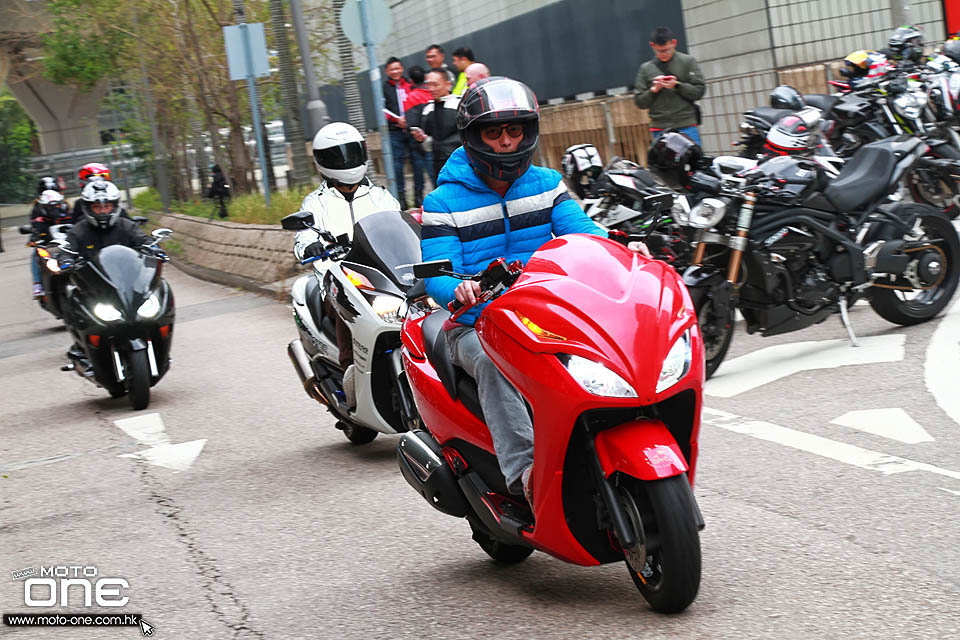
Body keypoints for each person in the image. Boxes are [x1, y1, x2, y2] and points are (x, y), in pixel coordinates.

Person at [420, 77, 647, 505]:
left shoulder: (547, 184)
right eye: (494, 132)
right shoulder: (442, 202)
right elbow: (436, 274)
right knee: (493, 363)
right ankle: (525, 473)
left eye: (515, 130)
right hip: (475, 325)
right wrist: (459, 290)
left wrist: (622, 250)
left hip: (547, 318)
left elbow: (585, 234)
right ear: (473, 136)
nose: (506, 141)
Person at [294, 122, 401, 407]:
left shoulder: (381, 196)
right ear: (323, 161)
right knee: (347, 303)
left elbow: (401, 228)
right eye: (337, 156)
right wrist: (311, 246)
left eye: (352, 153)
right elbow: (302, 239)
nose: (346, 162)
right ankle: (350, 370)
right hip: (338, 279)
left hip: (385, 277)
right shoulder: (316, 203)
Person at [634, 26, 706, 146]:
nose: (663, 54)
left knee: (697, 163)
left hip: (686, 125)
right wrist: (654, 90)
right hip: (660, 128)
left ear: (674, 43)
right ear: (652, 46)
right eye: (659, 51)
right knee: (663, 164)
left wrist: (677, 85)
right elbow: (639, 102)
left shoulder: (688, 61)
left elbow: (699, 91)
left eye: (667, 50)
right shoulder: (646, 69)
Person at [408, 69, 461, 183]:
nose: (431, 89)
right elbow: (428, 142)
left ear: (448, 84)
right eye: (428, 85)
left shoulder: (460, 105)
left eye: (435, 85)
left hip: (460, 161)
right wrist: (421, 139)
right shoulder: (428, 109)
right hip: (437, 162)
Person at [27, 189, 71, 297]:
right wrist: (34, 239)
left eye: (57, 205)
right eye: (52, 206)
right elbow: (35, 231)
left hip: (66, 244)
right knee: (36, 254)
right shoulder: (39, 217)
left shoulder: (67, 214)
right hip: (48, 245)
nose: (55, 208)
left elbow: (77, 226)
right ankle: (37, 284)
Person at [383, 57, 413, 209]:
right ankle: (402, 200)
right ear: (387, 71)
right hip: (395, 131)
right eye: (391, 69)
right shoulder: (384, 87)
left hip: (412, 129)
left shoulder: (409, 84)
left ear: (402, 68)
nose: (395, 72)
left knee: (418, 162)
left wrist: (410, 119)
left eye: (397, 68)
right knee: (397, 166)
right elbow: (381, 108)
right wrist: (396, 120)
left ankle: (419, 196)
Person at [402, 65, 434, 206]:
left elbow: (411, 124)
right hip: (436, 140)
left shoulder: (411, 97)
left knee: (419, 173)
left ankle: (418, 200)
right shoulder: (433, 93)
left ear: (411, 81)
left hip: (419, 142)